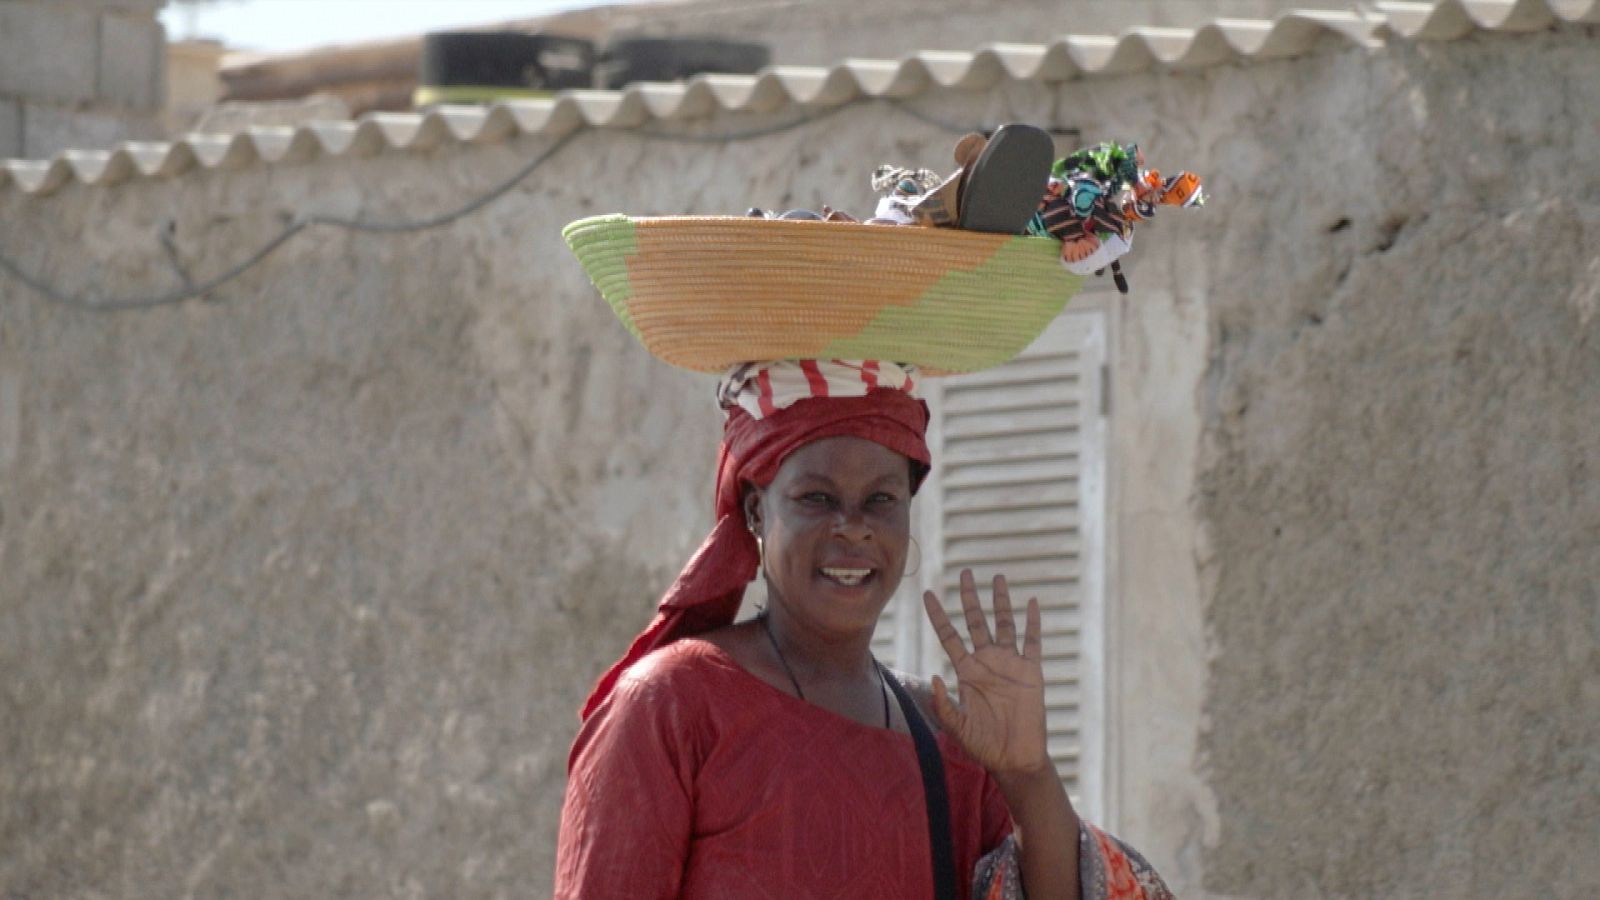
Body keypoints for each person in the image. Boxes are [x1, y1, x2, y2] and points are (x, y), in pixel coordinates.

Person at [555, 360, 1171, 899]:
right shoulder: (672, 706)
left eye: (881, 500)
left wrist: (1028, 776)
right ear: (754, 512)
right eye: (817, 499)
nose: (854, 528)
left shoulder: (948, 737)